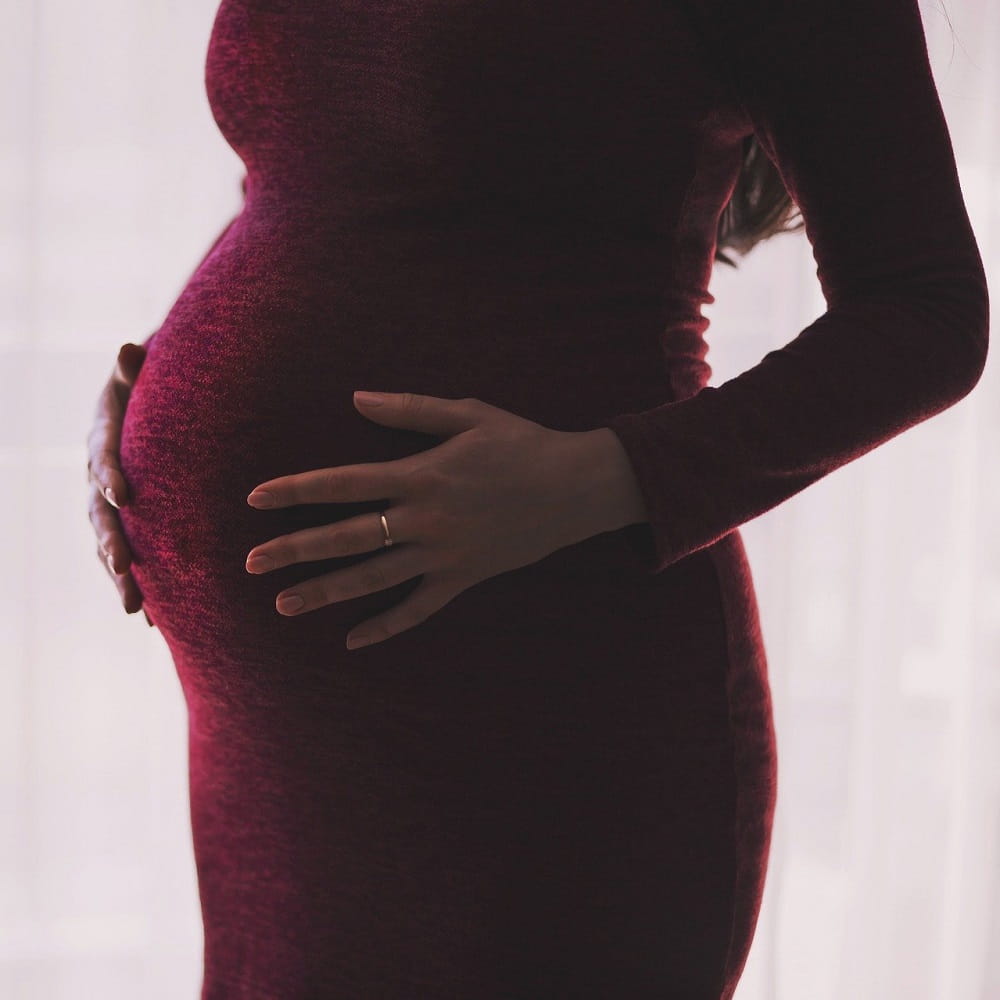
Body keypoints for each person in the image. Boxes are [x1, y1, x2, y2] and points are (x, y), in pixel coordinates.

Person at [85, 0, 988, 996]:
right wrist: (151, 397)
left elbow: (927, 311)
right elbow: (328, 183)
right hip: (272, 748)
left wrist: (598, 477)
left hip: (536, 708)